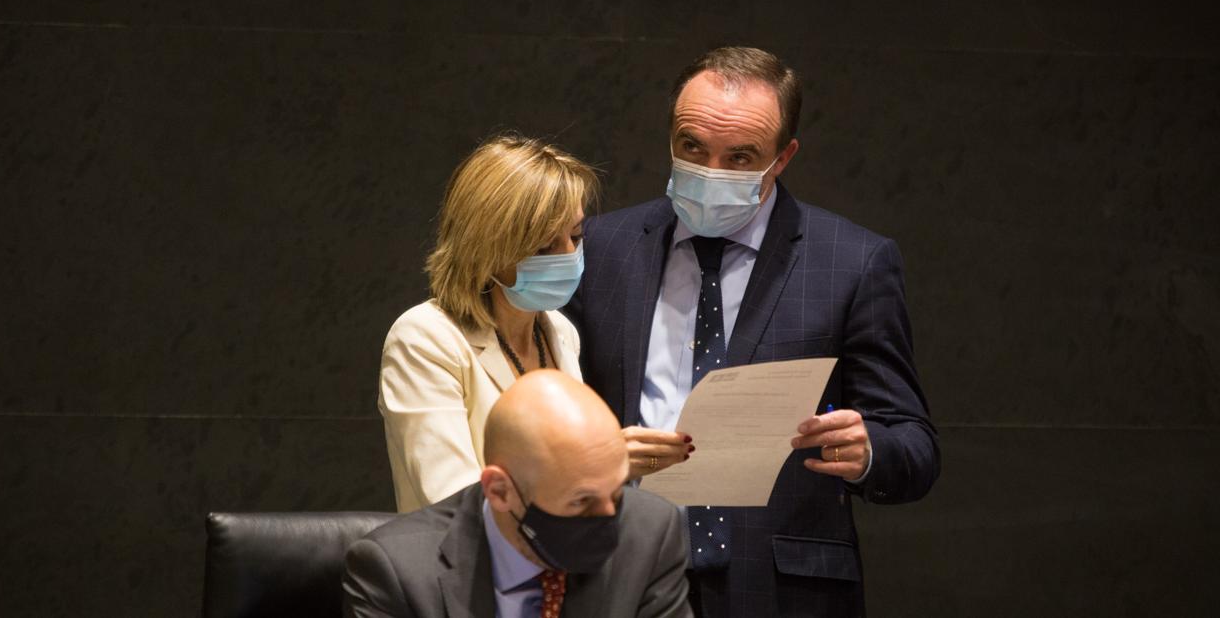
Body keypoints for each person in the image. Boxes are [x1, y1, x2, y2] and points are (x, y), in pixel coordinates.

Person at [563, 47, 941, 616]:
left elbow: (914, 445)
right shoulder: (602, 248)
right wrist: (596, 454)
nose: (711, 170)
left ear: (783, 156)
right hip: (619, 573)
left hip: (783, 588)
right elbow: (547, 407)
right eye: (692, 147)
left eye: (740, 156)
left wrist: (869, 451)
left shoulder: (851, 262)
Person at [343, 369, 693, 618]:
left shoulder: (650, 534)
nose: (609, 517)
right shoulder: (396, 572)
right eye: (581, 501)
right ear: (499, 491)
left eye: (616, 492)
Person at [379, 135, 597, 513]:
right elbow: (453, 501)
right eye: (545, 246)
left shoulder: (560, 333)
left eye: (575, 236)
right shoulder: (424, 339)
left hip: (558, 563)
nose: (568, 255)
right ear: (486, 250)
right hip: (463, 567)